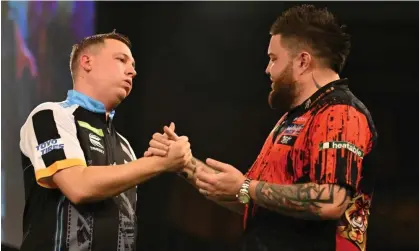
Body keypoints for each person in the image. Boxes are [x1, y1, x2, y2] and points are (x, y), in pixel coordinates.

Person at [145, 5, 378, 251]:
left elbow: (331, 200)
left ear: (302, 61)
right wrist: (185, 163)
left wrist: (246, 187)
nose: (268, 69)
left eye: (273, 59)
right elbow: (251, 200)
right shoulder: (292, 119)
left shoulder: (340, 113)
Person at [19, 31, 192, 251]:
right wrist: (160, 163)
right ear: (87, 62)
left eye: (133, 64)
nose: (133, 71)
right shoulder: (51, 115)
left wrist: (175, 162)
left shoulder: (126, 147)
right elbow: (78, 186)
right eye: (121, 60)